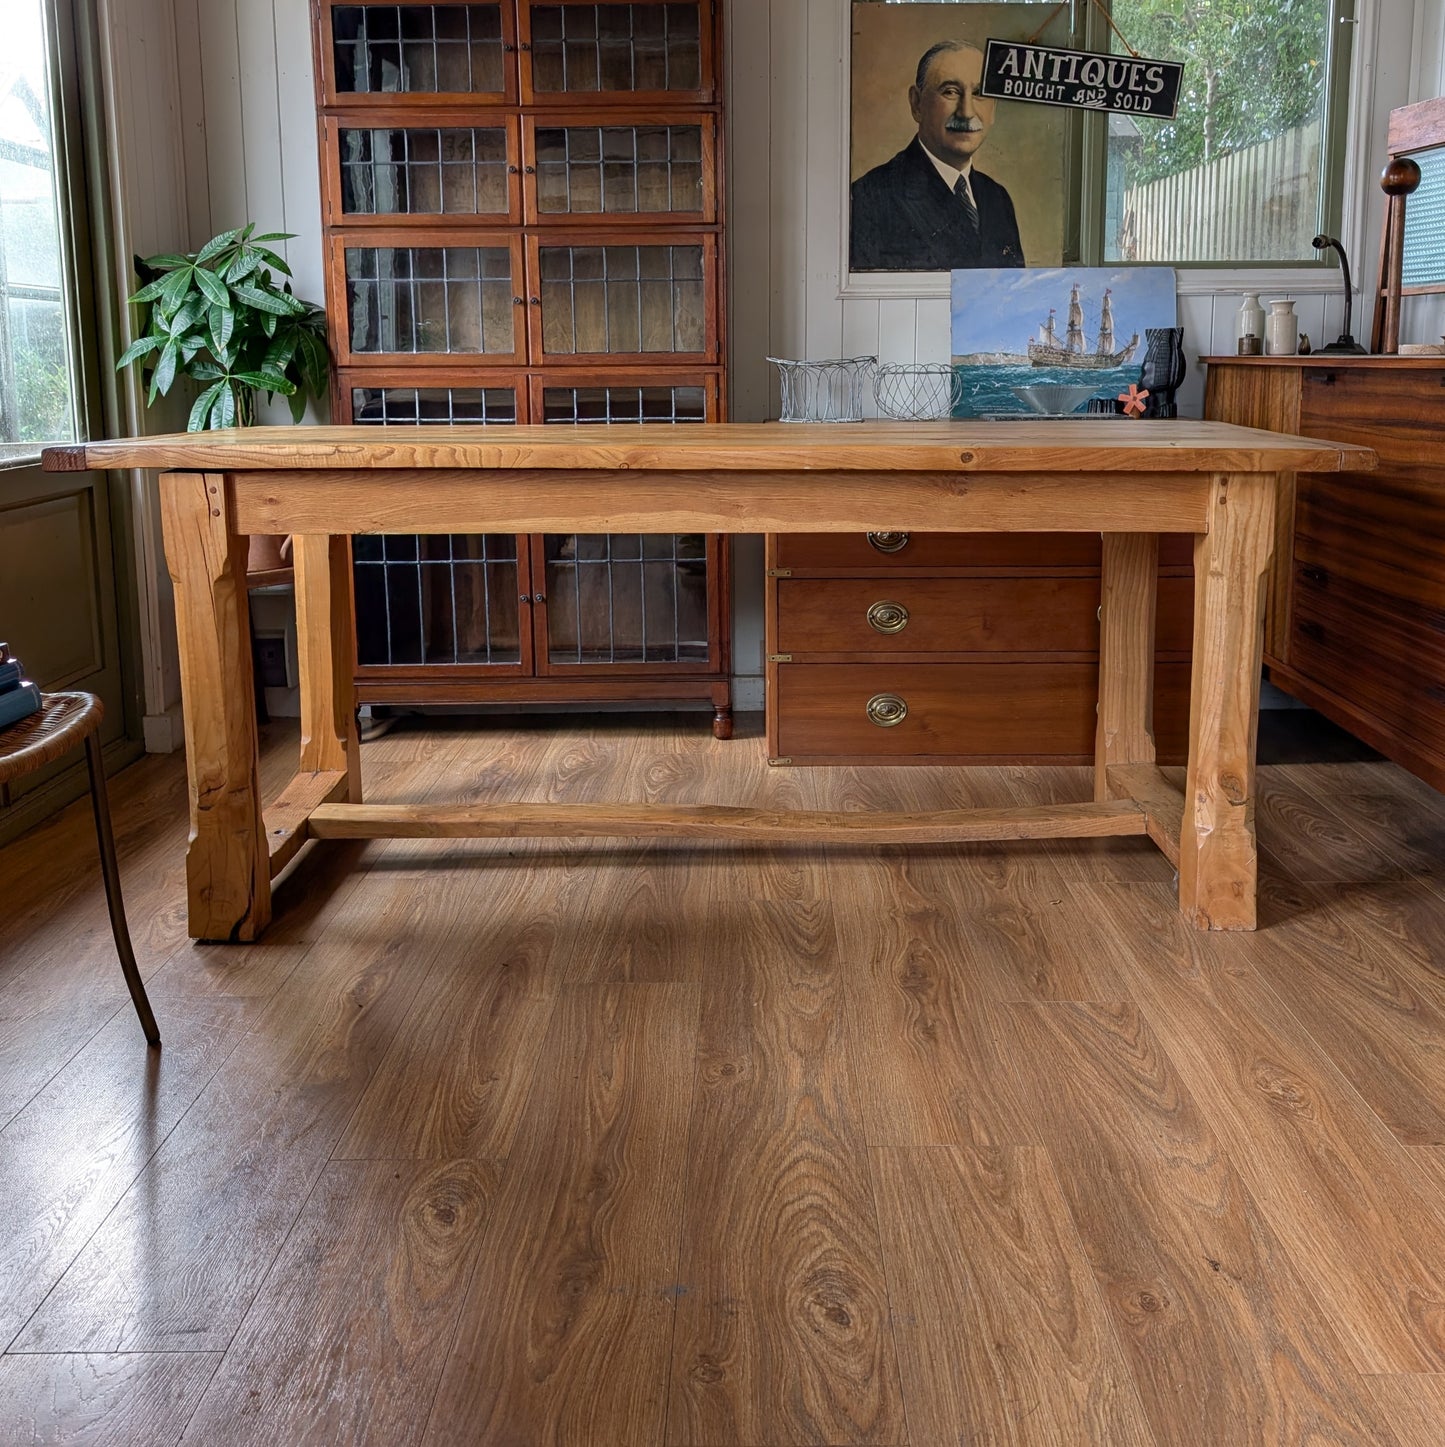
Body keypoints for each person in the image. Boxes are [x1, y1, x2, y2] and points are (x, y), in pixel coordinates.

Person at [850, 40, 1025, 272]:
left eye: (979, 93)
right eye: (950, 92)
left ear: (993, 108)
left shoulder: (997, 198)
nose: (967, 112)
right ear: (917, 104)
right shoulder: (869, 198)